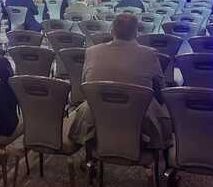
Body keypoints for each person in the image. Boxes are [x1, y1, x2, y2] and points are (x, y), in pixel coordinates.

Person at [69, 14, 171, 148]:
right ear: (136, 33)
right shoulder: (149, 54)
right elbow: (161, 93)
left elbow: (84, 87)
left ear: (112, 31)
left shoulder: (91, 52)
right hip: (140, 124)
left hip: (95, 118)